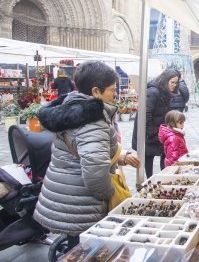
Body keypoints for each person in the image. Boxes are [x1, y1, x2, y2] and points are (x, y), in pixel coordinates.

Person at [33, 61, 140, 249]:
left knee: (76, 246)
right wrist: (109, 195)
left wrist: (120, 155)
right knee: (85, 250)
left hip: (64, 195)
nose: (114, 93)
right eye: (112, 89)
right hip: (81, 203)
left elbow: (84, 149)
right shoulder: (92, 120)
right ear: (96, 91)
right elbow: (95, 172)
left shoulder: (70, 106)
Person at [132, 69, 179, 178]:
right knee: (149, 156)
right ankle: (149, 180)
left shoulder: (164, 92)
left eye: (176, 83)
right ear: (165, 80)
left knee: (165, 152)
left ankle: (164, 178)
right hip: (149, 132)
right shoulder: (153, 92)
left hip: (158, 130)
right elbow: (146, 113)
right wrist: (151, 131)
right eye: (172, 82)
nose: (174, 85)